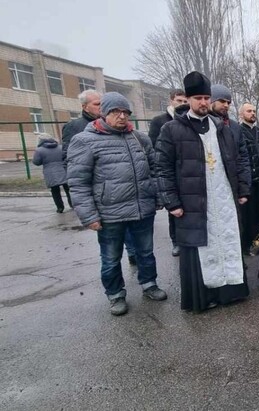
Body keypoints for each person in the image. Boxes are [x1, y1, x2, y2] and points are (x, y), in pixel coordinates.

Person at [155, 72, 251, 313]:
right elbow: (162, 168)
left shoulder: (222, 128)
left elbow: (239, 161)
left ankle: (230, 292)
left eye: (206, 98)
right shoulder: (171, 130)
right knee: (201, 246)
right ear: (188, 99)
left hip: (224, 199)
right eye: (198, 98)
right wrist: (171, 202)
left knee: (227, 241)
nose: (203, 103)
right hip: (193, 202)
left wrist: (243, 189)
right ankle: (204, 297)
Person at [67, 92, 166, 316]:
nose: (122, 116)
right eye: (115, 112)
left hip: (142, 209)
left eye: (126, 112)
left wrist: (158, 197)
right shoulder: (85, 140)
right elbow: (78, 182)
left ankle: (149, 283)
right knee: (111, 258)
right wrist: (89, 216)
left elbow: (155, 170)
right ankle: (115, 295)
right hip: (109, 213)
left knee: (146, 252)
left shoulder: (139, 138)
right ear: (104, 113)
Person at [147, 89, 188, 257]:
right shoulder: (160, 121)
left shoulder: (189, 121)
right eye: (179, 100)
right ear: (171, 101)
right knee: (175, 210)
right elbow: (155, 147)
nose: (182, 104)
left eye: (185, 100)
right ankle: (176, 242)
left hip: (187, 170)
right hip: (171, 171)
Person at [238, 102, 259, 252]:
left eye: (254, 111)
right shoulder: (238, 132)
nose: (252, 113)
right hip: (248, 182)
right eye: (249, 111)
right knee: (248, 217)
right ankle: (247, 245)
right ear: (241, 114)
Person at [33, 133, 72, 213]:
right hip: (63, 169)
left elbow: (36, 162)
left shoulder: (39, 150)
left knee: (55, 191)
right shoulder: (60, 147)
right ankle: (72, 204)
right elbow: (66, 157)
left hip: (50, 172)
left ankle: (60, 207)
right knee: (68, 188)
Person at [62, 89, 101, 164]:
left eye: (102, 104)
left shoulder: (109, 124)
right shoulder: (73, 126)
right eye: (97, 104)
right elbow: (68, 157)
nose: (101, 107)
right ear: (85, 107)